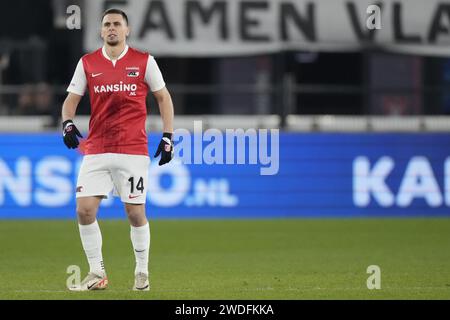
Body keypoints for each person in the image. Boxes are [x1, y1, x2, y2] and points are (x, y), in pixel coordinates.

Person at [61, 8, 174, 291]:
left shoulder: (144, 61)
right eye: (107, 24)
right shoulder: (88, 62)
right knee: (84, 210)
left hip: (132, 150)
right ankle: (97, 273)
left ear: (127, 30)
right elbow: (71, 100)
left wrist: (168, 135)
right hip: (97, 148)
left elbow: (163, 98)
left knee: (135, 213)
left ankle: (142, 273)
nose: (111, 28)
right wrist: (67, 123)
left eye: (117, 24)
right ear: (101, 31)